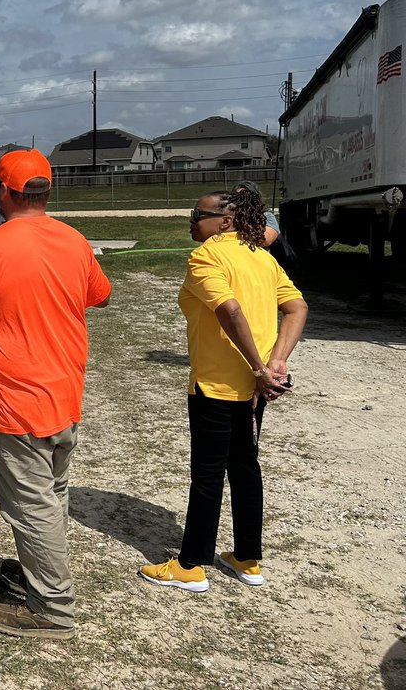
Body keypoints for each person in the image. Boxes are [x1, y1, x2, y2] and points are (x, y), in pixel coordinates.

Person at [0, 149, 111, 640]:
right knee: (50, 493)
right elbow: (101, 294)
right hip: (62, 390)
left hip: (14, 401)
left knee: (30, 504)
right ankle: (40, 576)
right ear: (46, 191)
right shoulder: (74, 241)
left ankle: (52, 607)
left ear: (3, 192)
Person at [138, 187, 307, 593]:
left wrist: (261, 367)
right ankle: (247, 558)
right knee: (246, 466)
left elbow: (229, 310)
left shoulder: (207, 256)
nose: (192, 220)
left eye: (198, 213)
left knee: (209, 474)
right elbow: (297, 307)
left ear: (226, 221)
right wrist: (274, 364)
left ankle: (191, 565)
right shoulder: (262, 258)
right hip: (254, 388)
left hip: (217, 386)